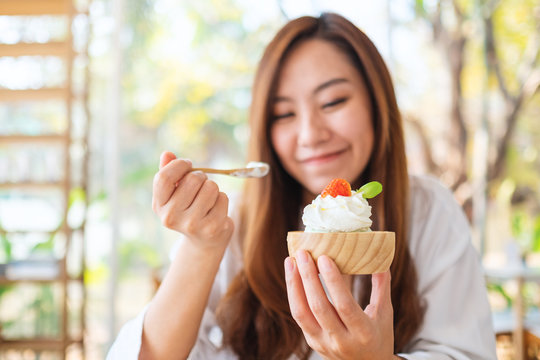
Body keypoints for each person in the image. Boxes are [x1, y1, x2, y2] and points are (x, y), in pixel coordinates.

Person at [108, 12, 497, 360]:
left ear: (378, 103)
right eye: (284, 114)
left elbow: (467, 351)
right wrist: (201, 247)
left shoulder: (427, 209)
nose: (310, 134)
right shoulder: (234, 222)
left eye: (332, 102)